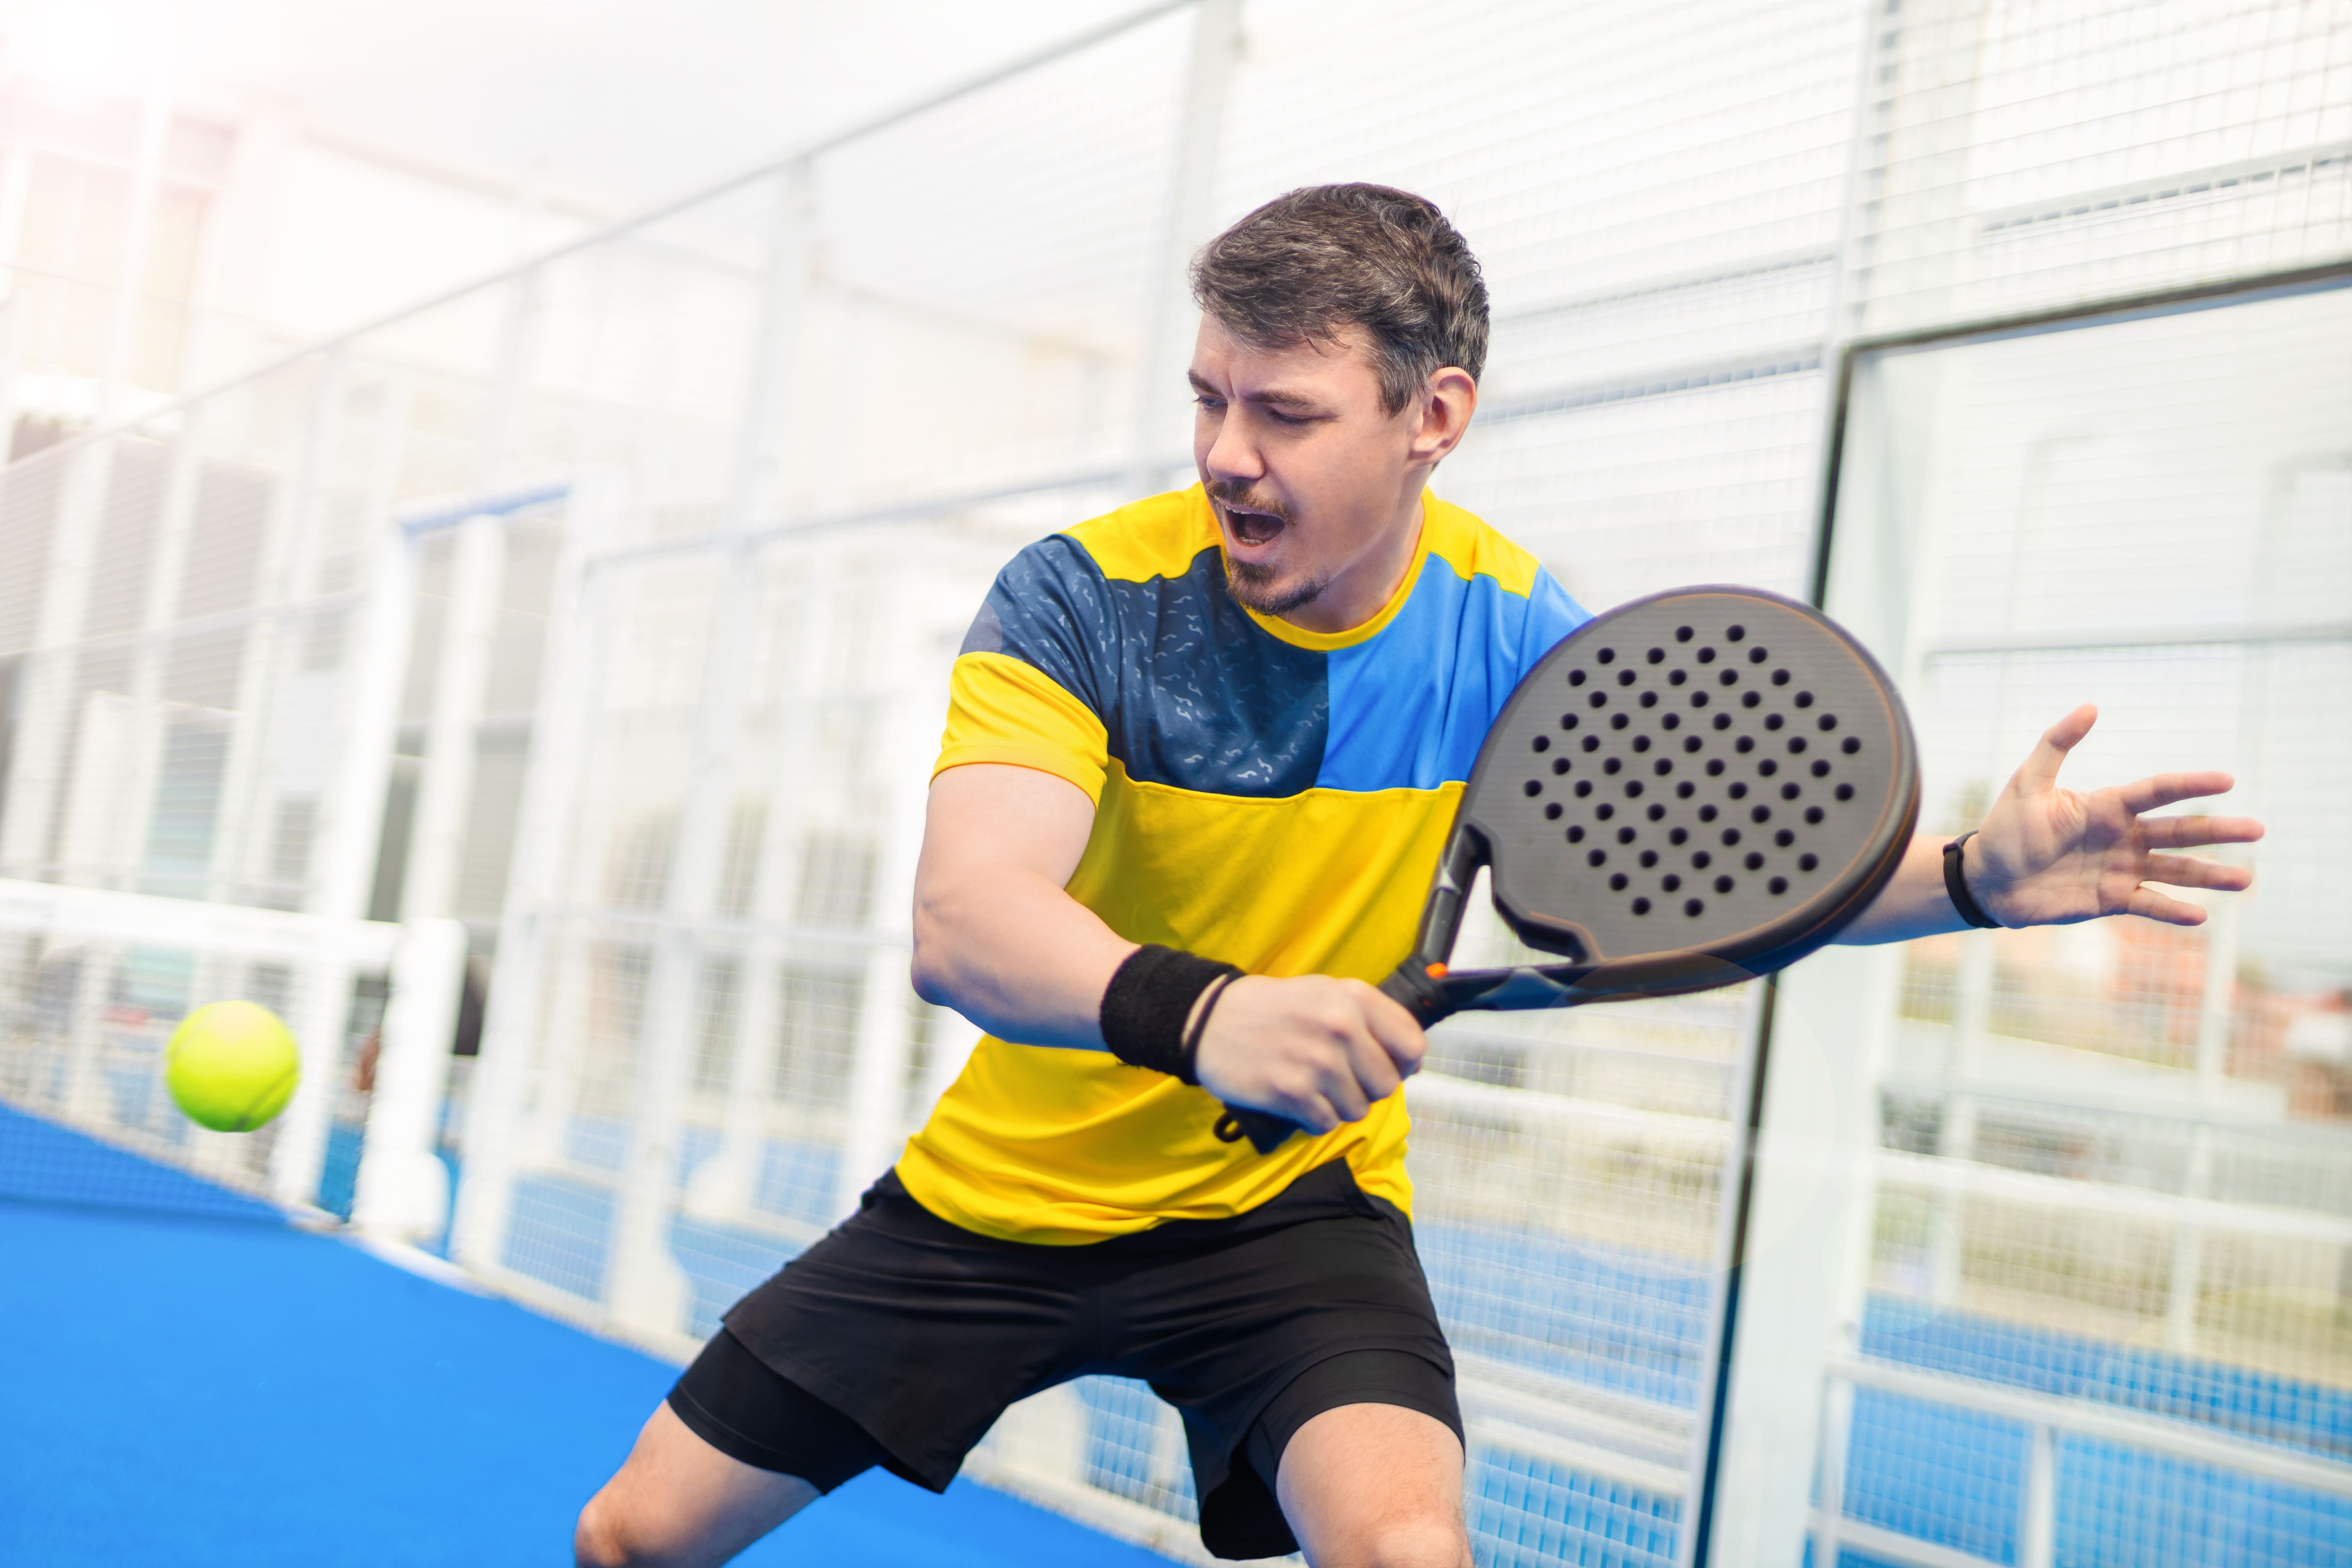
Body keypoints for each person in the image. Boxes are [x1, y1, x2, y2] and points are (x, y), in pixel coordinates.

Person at [573, 184, 2262, 1568]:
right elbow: (968, 920)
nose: (1227, 452)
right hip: (1001, 1203)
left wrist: (1968, 876)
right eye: (1209, 397)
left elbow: (1733, 872)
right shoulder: (1082, 597)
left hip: (1287, 1217)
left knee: (1405, 1549)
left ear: (1430, 417)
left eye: (1285, 412)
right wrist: (1211, 1017)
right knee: (632, 1539)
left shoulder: (1509, 623)